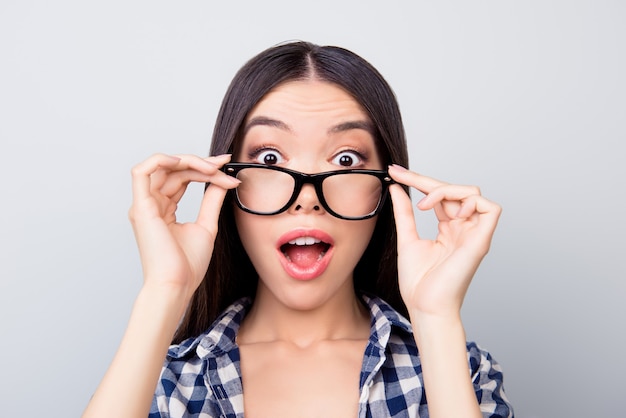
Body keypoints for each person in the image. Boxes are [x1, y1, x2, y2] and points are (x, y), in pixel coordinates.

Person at [82, 41, 513, 418]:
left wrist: (435, 317)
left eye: (345, 159)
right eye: (269, 159)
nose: (306, 196)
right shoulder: (164, 385)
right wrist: (164, 289)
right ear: (227, 181)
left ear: (387, 188)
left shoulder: (462, 372)